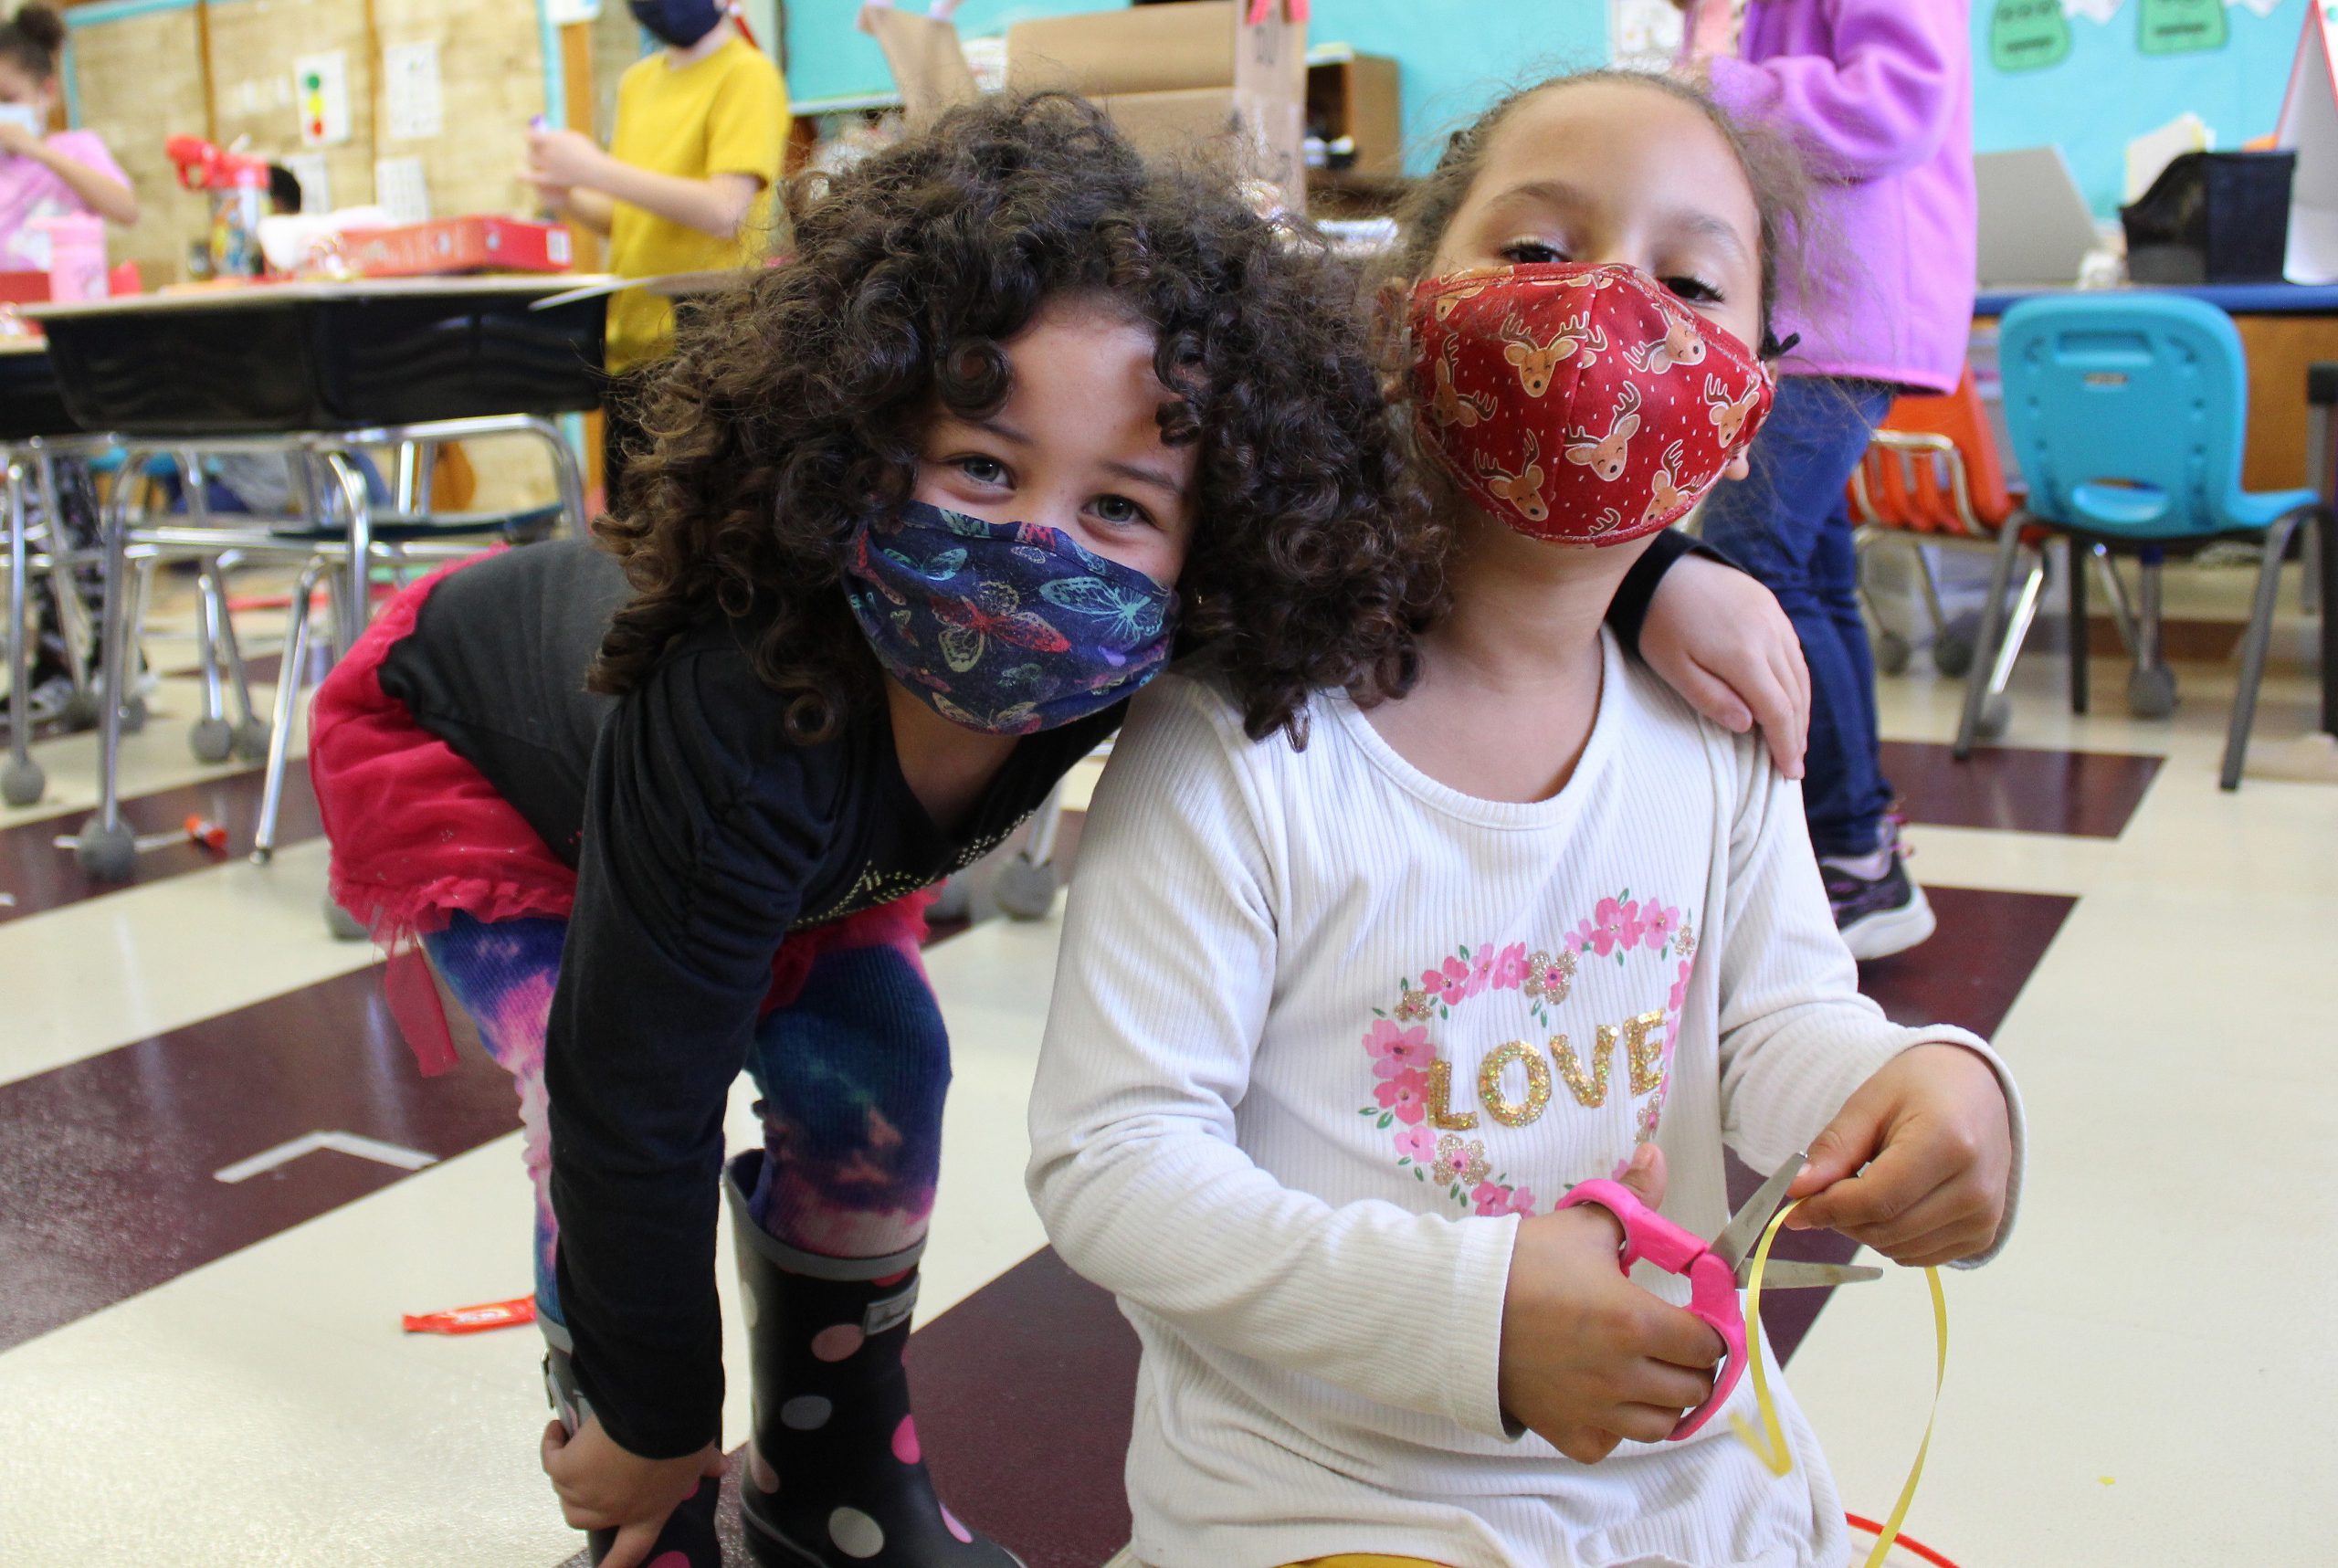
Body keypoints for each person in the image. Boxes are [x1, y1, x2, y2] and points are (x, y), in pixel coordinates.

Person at [1027, 70, 2024, 1568]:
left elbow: (1778, 1019)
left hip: (1687, 1478)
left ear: (1753, 407)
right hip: (1325, 1492)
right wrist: (1474, 1313)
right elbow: (1114, 1160)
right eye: (1540, 253)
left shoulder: (1716, 725)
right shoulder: (1241, 735)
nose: (1611, 313)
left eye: (1691, 282)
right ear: (1394, 321)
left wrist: (1923, 1085)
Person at [1680, 0, 1975, 958]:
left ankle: (1851, 847)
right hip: (1815, 307)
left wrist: (1718, 72)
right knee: (1811, 569)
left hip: (1847, 305)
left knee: (1748, 551)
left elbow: (1894, 106)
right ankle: (1852, 842)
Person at [521, 0, 786, 502]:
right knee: (630, 530)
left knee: (692, 527)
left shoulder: (747, 74)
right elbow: (630, 218)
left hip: (705, 347)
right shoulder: (637, 83)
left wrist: (594, 169)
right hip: (629, 347)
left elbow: (725, 211)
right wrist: (567, 196)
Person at [0, 2, 136, 269]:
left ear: (47, 92)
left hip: (67, 300)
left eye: (9, 98)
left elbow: (127, 210)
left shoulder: (77, 148)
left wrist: (38, 151)